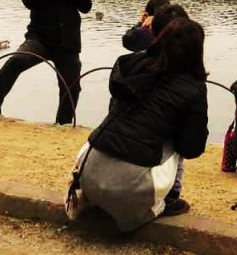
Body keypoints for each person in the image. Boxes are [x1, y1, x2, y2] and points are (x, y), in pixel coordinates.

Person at [67, 18, 209, 232]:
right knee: (175, 140)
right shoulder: (193, 88)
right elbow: (192, 148)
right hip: (130, 189)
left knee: (119, 121)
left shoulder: (129, 64)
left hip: (89, 173)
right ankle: (165, 201)